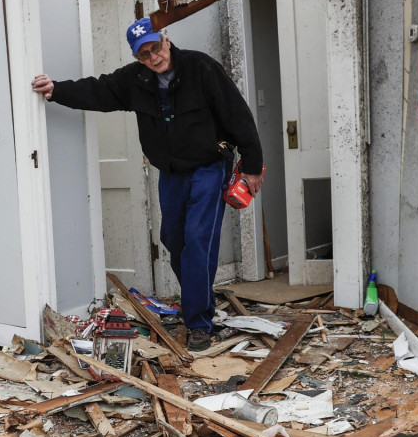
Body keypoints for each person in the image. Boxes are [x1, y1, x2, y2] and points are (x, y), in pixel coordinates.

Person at [32, 18, 263, 351]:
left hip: (210, 167)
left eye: (156, 48)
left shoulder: (201, 68)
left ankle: (198, 321)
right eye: (144, 54)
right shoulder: (136, 80)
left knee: (198, 239)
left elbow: (237, 114)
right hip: (172, 171)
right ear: (138, 58)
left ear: (166, 40)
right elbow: (99, 90)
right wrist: (56, 90)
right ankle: (200, 296)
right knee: (173, 237)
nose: (154, 58)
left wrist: (252, 167)